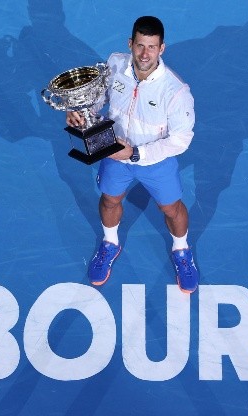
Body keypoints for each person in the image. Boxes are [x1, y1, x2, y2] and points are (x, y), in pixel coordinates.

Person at [66, 16, 198, 293]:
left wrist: (137, 152)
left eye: (151, 47)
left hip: (155, 161)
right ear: (130, 44)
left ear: (162, 48)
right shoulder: (115, 63)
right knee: (110, 200)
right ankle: (110, 242)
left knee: (171, 209)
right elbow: (99, 100)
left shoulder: (176, 92)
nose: (144, 54)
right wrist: (82, 111)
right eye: (139, 46)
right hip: (114, 154)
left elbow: (181, 140)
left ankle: (182, 250)